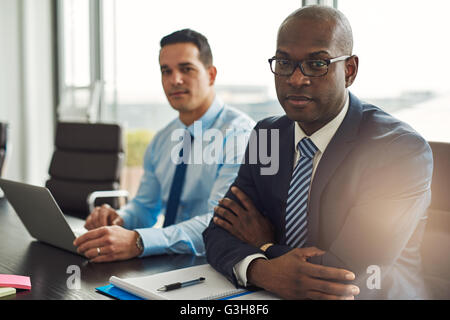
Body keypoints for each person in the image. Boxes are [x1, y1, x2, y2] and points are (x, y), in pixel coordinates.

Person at [203, 5, 433, 300]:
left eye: (317, 64)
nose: (296, 79)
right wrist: (263, 269)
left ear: (349, 70)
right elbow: (218, 232)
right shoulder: (268, 135)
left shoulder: (399, 151)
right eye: (284, 63)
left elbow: (346, 271)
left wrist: (264, 246)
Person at [73, 29, 255, 262]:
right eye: (166, 71)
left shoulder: (240, 136)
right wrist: (120, 219)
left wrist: (139, 241)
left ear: (211, 75)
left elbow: (218, 223)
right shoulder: (163, 139)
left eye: (186, 69)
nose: (174, 79)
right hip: (166, 259)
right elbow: (145, 208)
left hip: (216, 263)